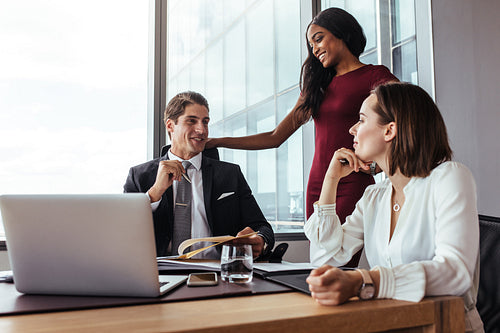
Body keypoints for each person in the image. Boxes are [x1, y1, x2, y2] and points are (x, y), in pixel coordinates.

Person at [305, 82, 483, 333]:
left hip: (445, 325)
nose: (352, 129)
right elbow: (325, 258)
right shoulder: (374, 196)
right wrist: (330, 181)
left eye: (362, 120)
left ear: (390, 130)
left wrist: (365, 281)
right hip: (393, 325)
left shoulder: (449, 177)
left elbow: (456, 273)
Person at [206, 8, 397, 237]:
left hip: (351, 180)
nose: (315, 49)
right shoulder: (317, 87)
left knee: (338, 258)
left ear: (342, 33)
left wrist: (377, 166)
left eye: (318, 39)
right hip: (317, 182)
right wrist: (216, 141)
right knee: (318, 254)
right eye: (311, 45)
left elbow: (405, 123)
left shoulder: (375, 75)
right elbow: (275, 137)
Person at [124, 91, 274, 259]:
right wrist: (154, 193)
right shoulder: (139, 176)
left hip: (218, 271)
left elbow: (262, 227)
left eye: (205, 122)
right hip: (159, 274)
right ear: (170, 126)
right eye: (191, 121)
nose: (202, 130)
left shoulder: (230, 174)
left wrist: (261, 240)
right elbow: (122, 232)